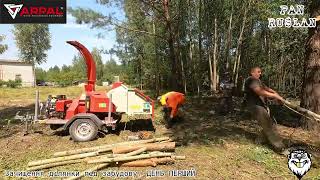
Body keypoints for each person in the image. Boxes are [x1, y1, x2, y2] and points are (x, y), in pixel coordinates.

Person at [244, 66, 286, 153]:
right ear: (252, 72)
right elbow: (259, 91)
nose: (260, 73)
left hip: (261, 105)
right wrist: (274, 96)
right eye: (258, 72)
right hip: (255, 106)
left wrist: (278, 96)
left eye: (260, 72)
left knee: (271, 124)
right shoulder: (251, 80)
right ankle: (280, 147)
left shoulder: (258, 81)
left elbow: (267, 89)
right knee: (268, 126)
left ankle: (259, 141)